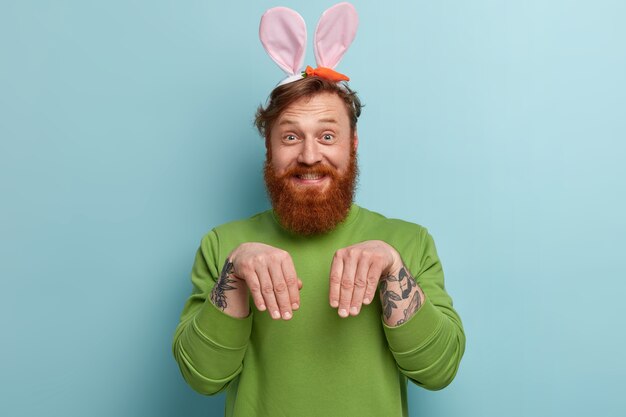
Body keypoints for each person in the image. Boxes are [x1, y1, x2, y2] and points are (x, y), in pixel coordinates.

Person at [172, 4, 464, 417]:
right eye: (290, 136)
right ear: (269, 148)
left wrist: (393, 268)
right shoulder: (224, 245)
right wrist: (234, 271)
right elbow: (202, 378)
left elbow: (438, 371)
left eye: (327, 135)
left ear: (353, 144)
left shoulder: (409, 242)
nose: (310, 155)